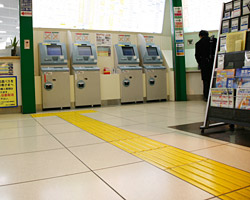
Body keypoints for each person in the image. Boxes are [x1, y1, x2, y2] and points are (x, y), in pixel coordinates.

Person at [195, 30, 217, 101]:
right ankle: (215, 95)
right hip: (214, 63)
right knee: (214, 79)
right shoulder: (214, 40)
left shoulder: (198, 44)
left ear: (200, 36)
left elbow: (197, 56)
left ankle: (206, 96)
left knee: (206, 81)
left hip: (204, 64)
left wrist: (200, 64)